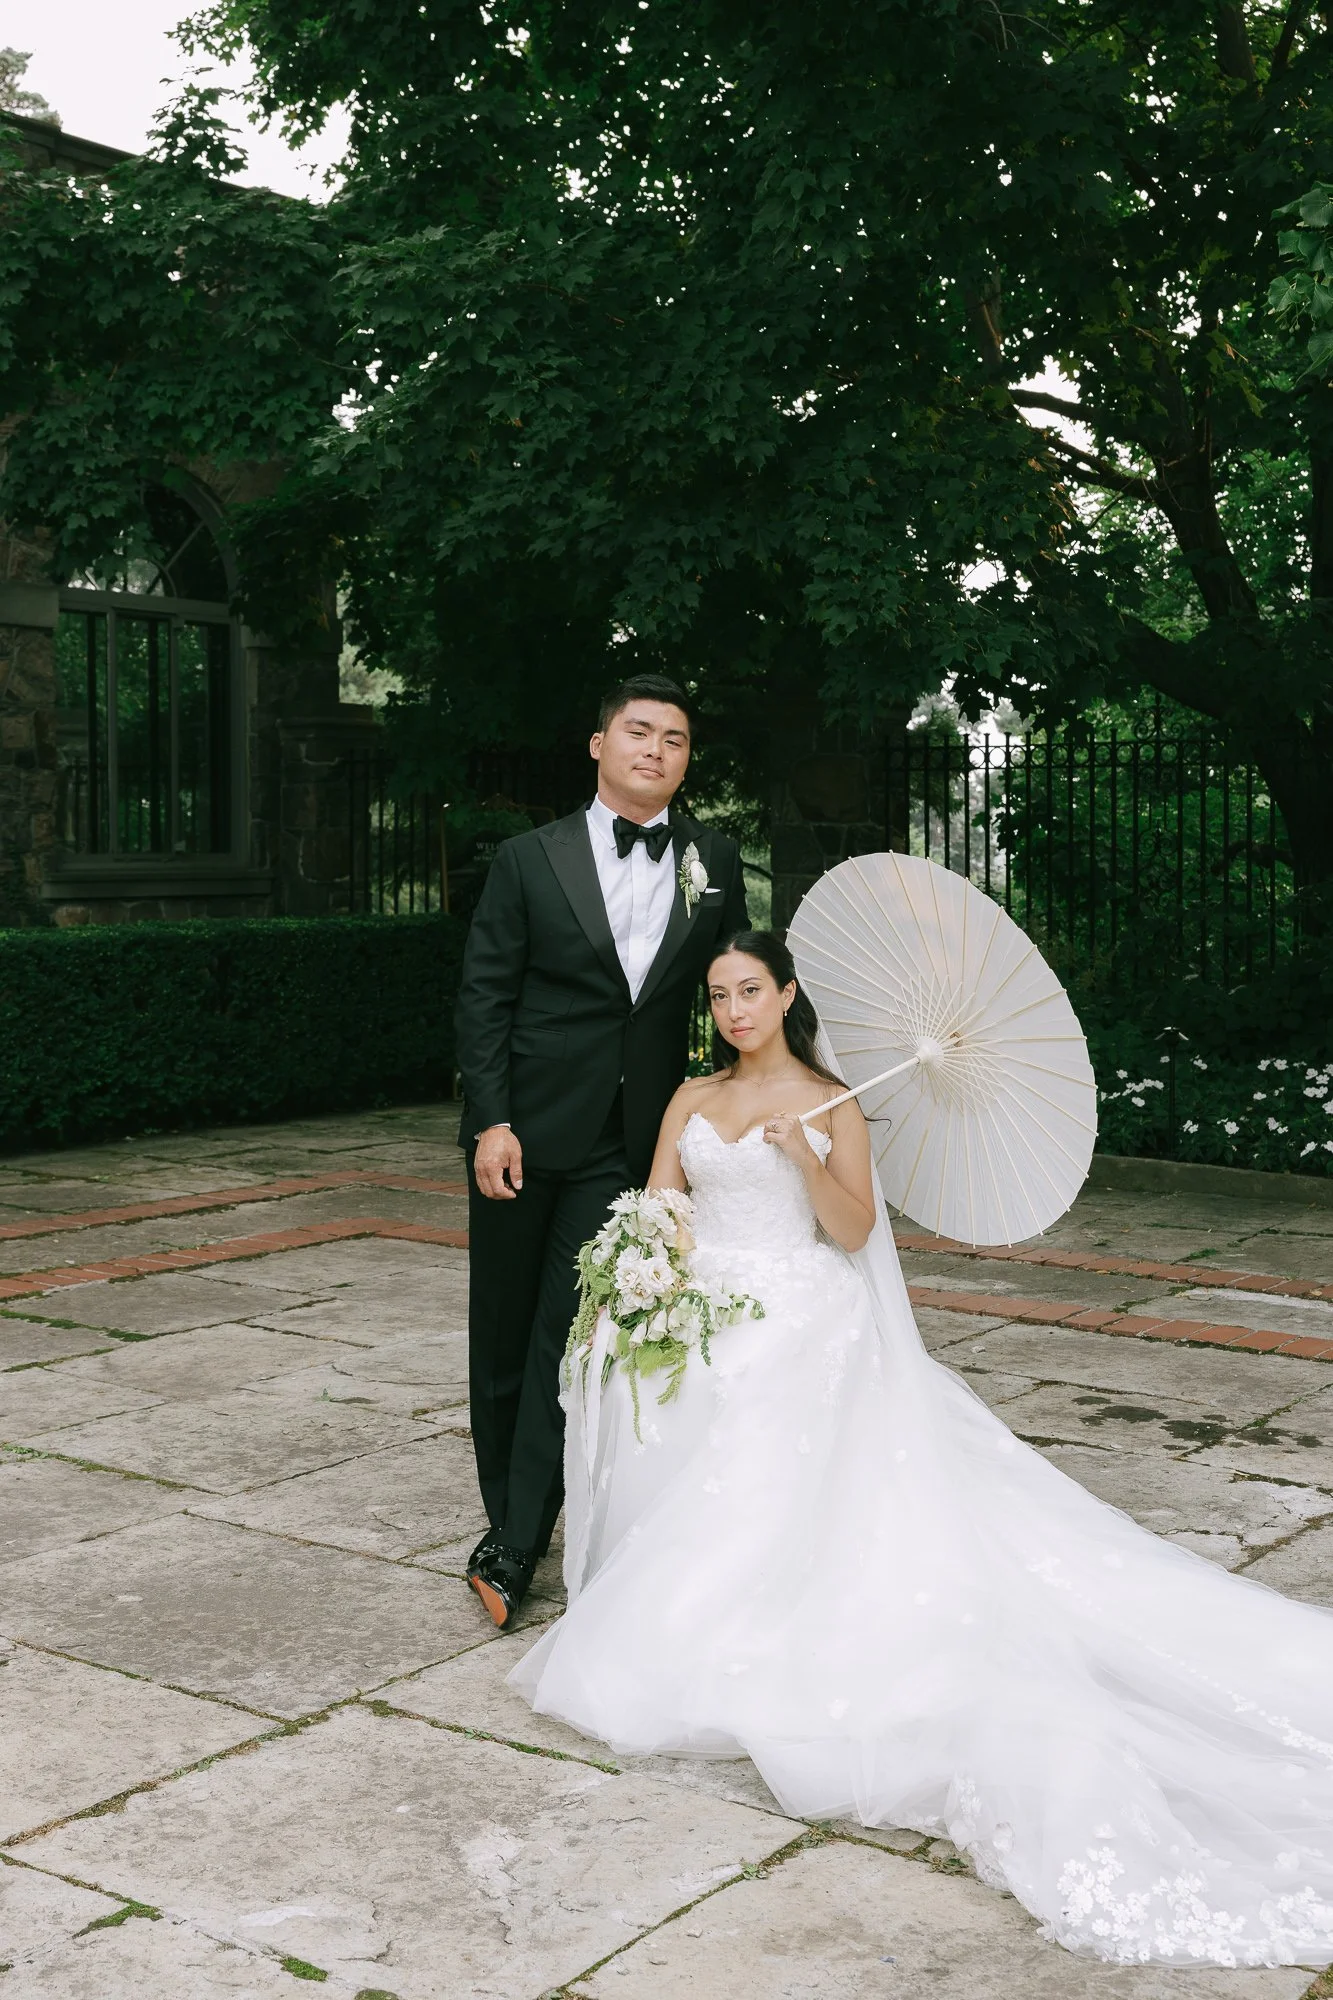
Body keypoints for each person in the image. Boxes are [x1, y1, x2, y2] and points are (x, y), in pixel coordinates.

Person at [511, 929, 1333, 1969]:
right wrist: (644, 1273)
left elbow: (853, 1232)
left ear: (786, 993)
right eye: (718, 995)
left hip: (796, 1304)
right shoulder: (689, 1097)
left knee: (769, 1394)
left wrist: (805, 1156)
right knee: (673, 1391)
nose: (733, 1010)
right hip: (702, 1298)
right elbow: (664, 1204)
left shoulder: (833, 1103)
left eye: (750, 990)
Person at [453, 675, 747, 1628]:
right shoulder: (526, 860)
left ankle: (515, 1541)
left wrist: (774, 1086)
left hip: (628, 1139)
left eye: (675, 738)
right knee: (502, 1330)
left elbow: (735, 985)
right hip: (523, 1131)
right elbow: (484, 995)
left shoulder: (714, 860)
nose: (655, 750)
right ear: (598, 745)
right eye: (638, 731)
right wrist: (490, 1120)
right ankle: (506, 1508)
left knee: (568, 1335)